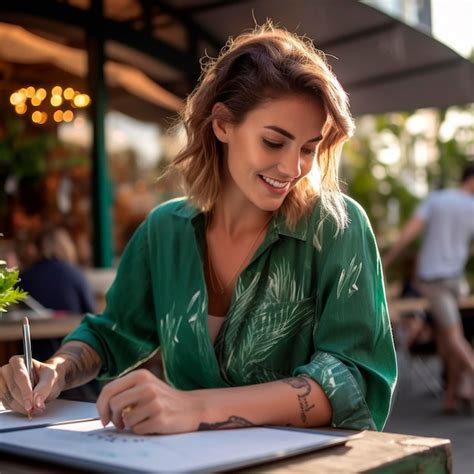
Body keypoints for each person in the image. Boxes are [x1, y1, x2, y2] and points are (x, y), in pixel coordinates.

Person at [0, 24, 396, 434]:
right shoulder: (164, 231)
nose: (293, 168)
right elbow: (112, 334)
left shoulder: (334, 227)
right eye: (274, 142)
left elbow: (354, 381)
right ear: (222, 124)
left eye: (309, 148)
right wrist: (55, 369)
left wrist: (194, 407)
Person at [383, 163, 474, 412]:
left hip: (434, 281)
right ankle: (451, 397)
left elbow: (409, 232)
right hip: (456, 282)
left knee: (453, 338)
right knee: (448, 338)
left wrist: (387, 259)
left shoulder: (437, 200)